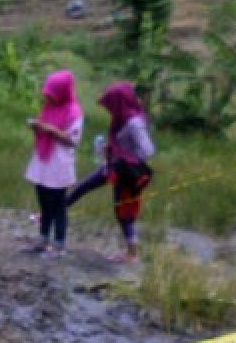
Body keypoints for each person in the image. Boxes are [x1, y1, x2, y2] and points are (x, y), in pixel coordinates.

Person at [66, 82, 155, 262]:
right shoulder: (121, 117)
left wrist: (124, 155)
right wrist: (112, 149)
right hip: (113, 166)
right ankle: (52, 212)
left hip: (126, 173)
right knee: (84, 186)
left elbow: (148, 150)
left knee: (123, 212)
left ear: (119, 102)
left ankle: (133, 254)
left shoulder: (134, 123)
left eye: (111, 104)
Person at [24, 70, 84, 256]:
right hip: (43, 159)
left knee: (58, 204)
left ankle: (59, 244)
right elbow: (42, 129)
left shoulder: (74, 112)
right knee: (43, 200)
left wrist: (50, 129)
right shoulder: (49, 108)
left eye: (53, 94)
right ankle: (43, 238)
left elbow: (72, 140)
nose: (49, 98)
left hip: (59, 163)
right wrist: (37, 128)